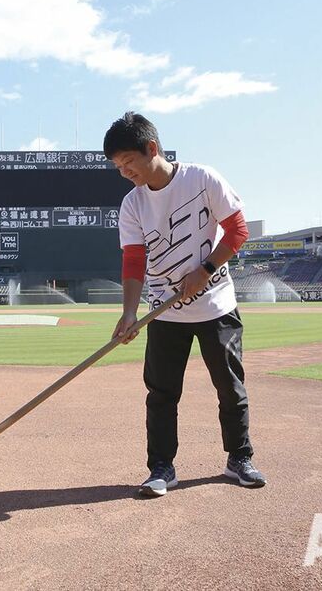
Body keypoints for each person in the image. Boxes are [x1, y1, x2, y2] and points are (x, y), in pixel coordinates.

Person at [103, 111, 266, 497]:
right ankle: (161, 468)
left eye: (129, 163)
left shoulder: (202, 179)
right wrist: (129, 312)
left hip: (216, 305)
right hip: (164, 310)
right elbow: (133, 259)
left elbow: (237, 229)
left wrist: (206, 269)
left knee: (230, 386)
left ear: (152, 149)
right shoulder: (132, 205)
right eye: (118, 167)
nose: (125, 172)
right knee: (161, 393)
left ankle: (239, 458)